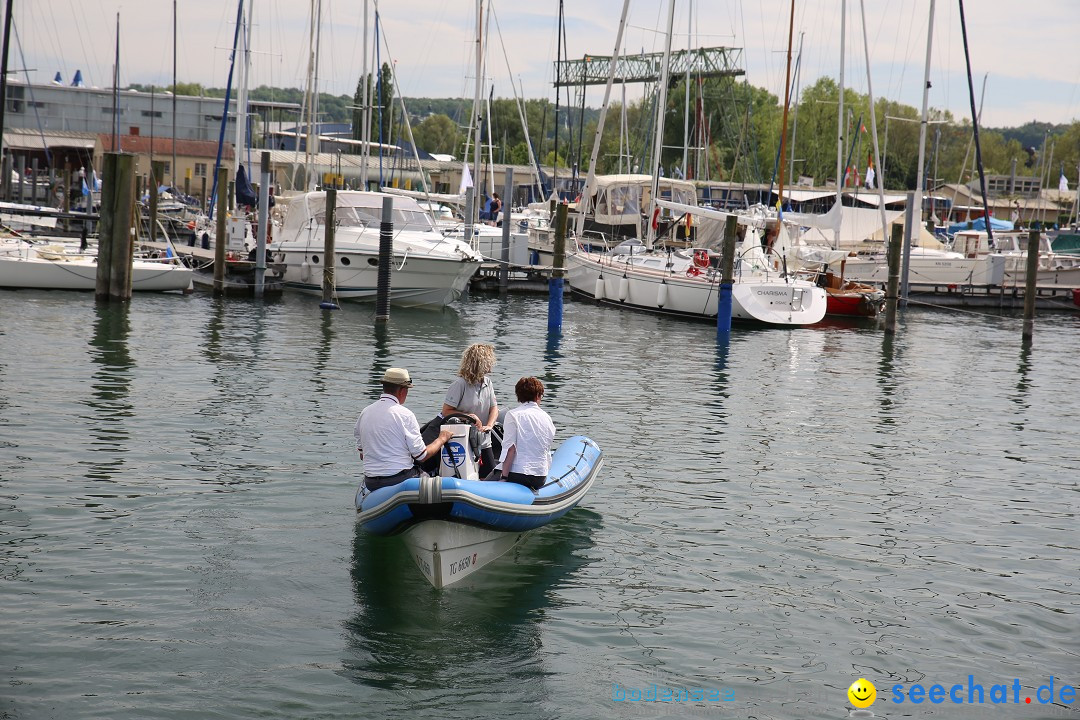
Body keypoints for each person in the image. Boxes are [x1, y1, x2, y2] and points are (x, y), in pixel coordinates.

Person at [354, 367, 454, 491]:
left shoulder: (365, 413)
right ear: (402, 391)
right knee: (430, 478)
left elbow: (363, 455)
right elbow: (422, 456)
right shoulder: (405, 414)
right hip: (399, 480)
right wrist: (441, 438)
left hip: (371, 482)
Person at [440, 343, 499, 477]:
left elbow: (494, 407)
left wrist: (489, 426)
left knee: (489, 475)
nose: (492, 364)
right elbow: (446, 411)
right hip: (464, 441)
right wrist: (468, 417)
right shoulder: (460, 384)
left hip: (484, 439)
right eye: (489, 361)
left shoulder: (488, 382)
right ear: (481, 363)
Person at [495, 377, 555, 491]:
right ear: (538, 395)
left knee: (486, 480)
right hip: (540, 477)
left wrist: (504, 477)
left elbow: (510, 449)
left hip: (517, 474)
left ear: (519, 396)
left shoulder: (513, 415)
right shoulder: (547, 418)